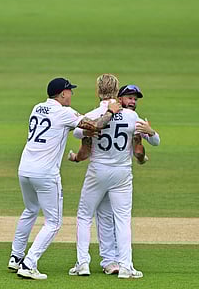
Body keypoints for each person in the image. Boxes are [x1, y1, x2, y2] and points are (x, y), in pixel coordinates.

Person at [8, 77, 122, 280]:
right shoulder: (64, 112)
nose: (72, 94)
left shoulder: (37, 108)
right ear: (62, 94)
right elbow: (95, 126)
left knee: (30, 210)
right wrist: (111, 111)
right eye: (70, 91)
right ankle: (29, 263)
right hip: (45, 173)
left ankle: (16, 256)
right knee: (53, 223)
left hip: (24, 169)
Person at [68, 83, 160, 276]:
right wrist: (151, 132)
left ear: (97, 91)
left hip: (98, 170)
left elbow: (76, 132)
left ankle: (83, 263)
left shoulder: (93, 114)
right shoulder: (131, 116)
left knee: (85, 216)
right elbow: (154, 141)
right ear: (118, 95)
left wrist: (87, 132)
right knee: (123, 219)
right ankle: (125, 266)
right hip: (121, 172)